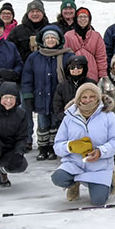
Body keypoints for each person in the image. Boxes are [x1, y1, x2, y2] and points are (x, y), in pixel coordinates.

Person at [52, 83, 115, 205]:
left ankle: (109, 179)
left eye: (92, 96)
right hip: (74, 164)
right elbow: (57, 145)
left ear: (98, 97)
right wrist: (70, 146)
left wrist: (101, 152)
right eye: (84, 97)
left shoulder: (108, 116)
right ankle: (74, 184)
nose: (88, 100)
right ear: (78, 99)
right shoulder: (69, 117)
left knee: (98, 201)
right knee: (58, 178)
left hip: (99, 166)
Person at [21, 25, 73, 157]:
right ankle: (43, 148)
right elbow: (27, 77)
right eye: (47, 38)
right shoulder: (34, 57)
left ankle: (54, 147)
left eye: (53, 38)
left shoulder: (66, 56)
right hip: (40, 97)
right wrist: (28, 95)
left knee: (56, 122)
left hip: (58, 97)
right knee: (43, 123)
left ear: (58, 40)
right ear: (43, 40)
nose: (50, 40)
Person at [63, 7, 107, 81]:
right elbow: (64, 58)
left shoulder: (96, 36)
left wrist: (102, 76)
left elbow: (101, 58)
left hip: (92, 75)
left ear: (89, 19)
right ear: (76, 19)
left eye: (85, 16)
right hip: (73, 75)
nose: (83, 19)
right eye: (80, 17)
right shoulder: (68, 36)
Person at [7, 0, 51, 65]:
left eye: (38, 11)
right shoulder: (17, 30)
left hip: (47, 66)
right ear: (27, 14)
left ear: (43, 13)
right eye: (32, 11)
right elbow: (9, 50)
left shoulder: (51, 29)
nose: (35, 14)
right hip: (25, 66)